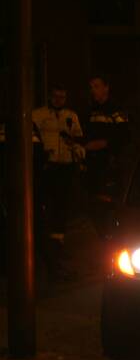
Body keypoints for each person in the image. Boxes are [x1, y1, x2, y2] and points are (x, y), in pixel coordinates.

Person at [32, 84, 85, 280]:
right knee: (45, 205)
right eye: (56, 96)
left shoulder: (71, 116)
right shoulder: (37, 115)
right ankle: (43, 247)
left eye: (62, 97)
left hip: (65, 166)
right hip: (47, 167)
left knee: (62, 207)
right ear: (50, 97)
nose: (59, 100)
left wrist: (76, 149)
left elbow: (78, 138)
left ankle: (57, 246)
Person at [83, 73, 131, 202]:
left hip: (110, 166)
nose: (93, 90)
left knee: (108, 205)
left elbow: (124, 136)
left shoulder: (116, 109)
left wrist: (104, 144)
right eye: (91, 87)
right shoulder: (90, 110)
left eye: (96, 86)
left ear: (106, 88)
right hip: (93, 166)